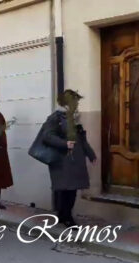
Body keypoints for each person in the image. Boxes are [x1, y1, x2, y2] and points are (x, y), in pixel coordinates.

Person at [42, 89, 96, 227]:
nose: (77, 104)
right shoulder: (56, 117)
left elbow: (81, 139)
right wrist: (64, 143)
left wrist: (91, 154)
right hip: (62, 159)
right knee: (66, 189)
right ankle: (66, 217)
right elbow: (47, 136)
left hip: (75, 159)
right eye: (75, 101)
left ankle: (64, 215)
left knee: (71, 189)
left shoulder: (74, 118)